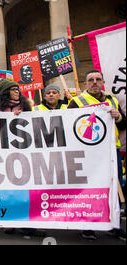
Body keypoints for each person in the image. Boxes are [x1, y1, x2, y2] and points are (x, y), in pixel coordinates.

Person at [68, 69, 126, 241]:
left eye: (98, 79)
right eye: (91, 79)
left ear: (102, 83)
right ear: (86, 83)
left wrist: (119, 118)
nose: (94, 82)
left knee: (114, 189)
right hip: (88, 153)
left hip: (110, 152)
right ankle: (88, 226)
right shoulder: (77, 101)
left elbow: (124, 124)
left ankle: (114, 225)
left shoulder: (112, 100)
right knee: (89, 190)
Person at [0, 78, 47, 237]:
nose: (17, 91)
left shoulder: (27, 108)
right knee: (8, 189)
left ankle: (28, 224)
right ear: (5, 93)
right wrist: (9, 117)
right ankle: (9, 222)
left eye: (17, 89)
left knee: (25, 189)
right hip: (4, 154)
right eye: (13, 89)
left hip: (25, 154)